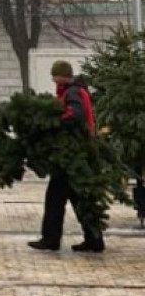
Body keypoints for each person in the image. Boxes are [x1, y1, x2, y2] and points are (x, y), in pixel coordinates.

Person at [28, 60, 104, 253]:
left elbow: (74, 116)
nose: (53, 80)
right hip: (79, 153)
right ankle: (94, 239)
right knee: (79, 197)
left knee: (55, 197)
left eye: (55, 76)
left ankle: (51, 239)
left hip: (73, 155)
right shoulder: (77, 90)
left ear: (62, 75)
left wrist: (53, 121)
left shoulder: (72, 92)